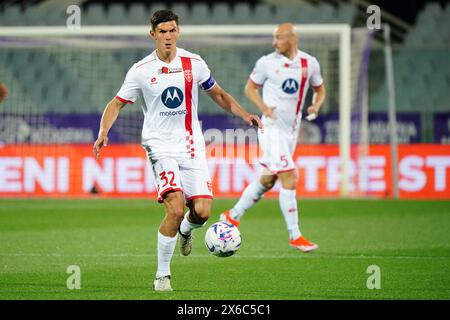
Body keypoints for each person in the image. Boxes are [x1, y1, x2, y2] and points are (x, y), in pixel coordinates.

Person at [93, 10, 262, 292]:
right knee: (174, 207)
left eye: (172, 31)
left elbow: (218, 94)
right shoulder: (141, 70)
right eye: (162, 32)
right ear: (153, 35)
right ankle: (162, 275)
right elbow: (116, 103)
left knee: (203, 212)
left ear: (178, 32)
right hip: (160, 146)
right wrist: (103, 132)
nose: (168, 36)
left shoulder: (194, 63)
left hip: (192, 145)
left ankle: (186, 230)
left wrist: (246, 116)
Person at [220, 23, 326, 253]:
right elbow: (249, 88)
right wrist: (263, 108)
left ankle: (232, 215)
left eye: (278, 38)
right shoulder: (266, 62)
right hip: (271, 129)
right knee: (289, 175)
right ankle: (295, 235)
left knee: (268, 180)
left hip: (291, 131)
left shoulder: (310, 63)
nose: (274, 42)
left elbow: (320, 89)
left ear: (292, 39)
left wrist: (316, 106)